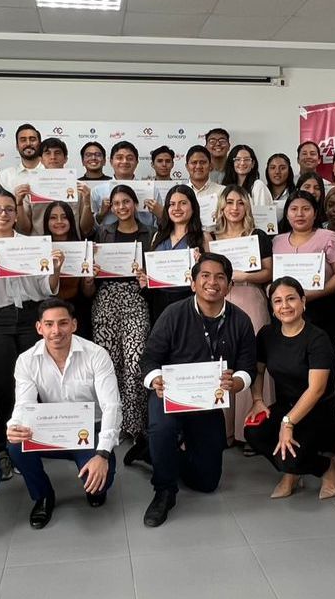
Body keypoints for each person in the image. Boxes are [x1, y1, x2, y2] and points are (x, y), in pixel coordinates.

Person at [139, 253, 257, 527]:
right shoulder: (173, 314)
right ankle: (164, 490)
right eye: (205, 276)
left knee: (207, 482)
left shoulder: (241, 320)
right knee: (162, 429)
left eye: (220, 277)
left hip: (208, 403)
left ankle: (153, 453)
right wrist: (155, 379)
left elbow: (248, 368)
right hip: (169, 396)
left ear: (229, 285)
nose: (212, 282)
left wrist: (236, 383)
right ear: (192, 283)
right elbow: (149, 359)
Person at [0, 191, 64, 480]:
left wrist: (56, 269)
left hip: (29, 316)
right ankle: (2, 448)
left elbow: (46, 288)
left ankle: (30, 444)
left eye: (9, 209)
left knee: (33, 382)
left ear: (16, 214)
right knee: (1, 385)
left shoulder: (31, 244)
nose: (3, 214)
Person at [5, 299, 121, 527]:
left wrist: (103, 454)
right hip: (51, 427)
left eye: (63, 323)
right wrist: (14, 425)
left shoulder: (96, 354)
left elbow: (112, 406)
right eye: (49, 324)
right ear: (39, 328)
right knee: (16, 445)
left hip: (90, 429)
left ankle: (95, 482)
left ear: (74, 325)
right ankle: (43, 495)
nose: (56, 331)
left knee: (99, 485)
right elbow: (24, 404)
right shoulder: (26, 360)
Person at [245, 278, 335, 499]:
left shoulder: (317, 338)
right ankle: (292, 470)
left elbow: (316, 389)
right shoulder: (267, 334)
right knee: (253, 431)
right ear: (272, 307)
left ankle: (328, 466)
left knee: (291, 457)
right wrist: (257, 399)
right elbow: (258, 370)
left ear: (303, 301)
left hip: (318, 411)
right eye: (278, 301)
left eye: (291, 299)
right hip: (285, 406)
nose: (285, 306)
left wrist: (287, 423)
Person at [85, 185, 155, 468]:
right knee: (109, 364)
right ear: (111, 207)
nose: (122, 207)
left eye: (126, 201)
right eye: (116, 203)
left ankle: (135, 425)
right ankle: (113, 425)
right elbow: (91, 273)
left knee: (136, 361)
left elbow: (155, 272)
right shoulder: (102, 233)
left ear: (135, 204)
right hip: (105, 300)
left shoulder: (149, 234)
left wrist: (146, 278)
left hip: (136, 298)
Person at [210, 186, 274, 449]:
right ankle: (223, 430)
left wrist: (245, 275)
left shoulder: (257, 236)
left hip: (250, 297)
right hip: (218, 303)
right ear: (221, 207)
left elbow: (269, 272)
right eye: (229, 202)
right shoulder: (211, 236)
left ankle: (252, 429)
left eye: (240, 202)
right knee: (221, 360)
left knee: (253, 358)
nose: (234, 208)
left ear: (247, 206)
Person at [271, 191, 335, 339]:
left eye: (306, 209)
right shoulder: (277, 241)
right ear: (287, 214)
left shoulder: (328, 237)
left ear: (315, 214)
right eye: (294, 209)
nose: (299, 214)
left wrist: (317, 293)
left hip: (322, 307)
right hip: (285, 308)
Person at [143, 185, 206, 320]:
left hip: (189, 302)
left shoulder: (204, 237)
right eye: (172, 204)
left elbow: (210, 273)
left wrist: (202, 263)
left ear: (193, 207)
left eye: (183, 203)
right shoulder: (158, 236)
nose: (176, 208)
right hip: (159, 302)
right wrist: (144, 278)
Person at [99, 141, 158, 232]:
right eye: (119, 158)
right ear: (111, 161)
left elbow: (160, 225)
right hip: (108, 239)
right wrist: (101, 213)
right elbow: (91, 229)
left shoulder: (152, 190)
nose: (125, 161)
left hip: (146, 238)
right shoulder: (98, 191)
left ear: (137, 162)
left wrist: (160, 213)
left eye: (129, 158)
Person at [0, 123, 45, 200]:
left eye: (32, 139)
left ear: (40, 144)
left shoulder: (52, 173)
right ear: (17, 146)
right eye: (23, 140)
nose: (28, 143)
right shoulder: (4, 177)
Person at [183, 145, 225, 231]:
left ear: (210, 166)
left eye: (203, 162)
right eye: (194, 162)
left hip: (216, 237)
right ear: (187, 166)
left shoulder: (223, 191)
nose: (198, 166)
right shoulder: (179, 193)